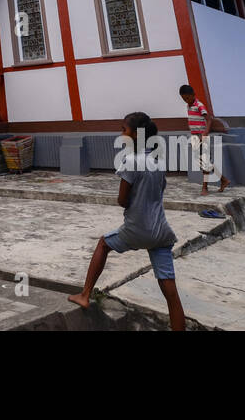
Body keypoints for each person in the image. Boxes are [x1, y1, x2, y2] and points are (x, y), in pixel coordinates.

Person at [68, 112, 186, 331]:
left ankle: (85, 295)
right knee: (171, 292)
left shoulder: (131, 160)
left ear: (135, 134)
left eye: (123, 129)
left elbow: (122, 200)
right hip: (161, 231)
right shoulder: (157, 160)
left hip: (136, 229)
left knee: (103, 244)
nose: (121, 133)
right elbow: (160, 191)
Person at [180, 84, 229, 195]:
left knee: (205, 161)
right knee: (203, 162)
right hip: (194, 136)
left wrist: (205, 133)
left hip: (202, 136)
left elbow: (209, 119)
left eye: (187, 98)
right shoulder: (188, 106)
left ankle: (205, 188)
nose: (186, 100)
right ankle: (224, 180)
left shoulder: (199, 105)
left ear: (193, 95)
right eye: (184, 99)